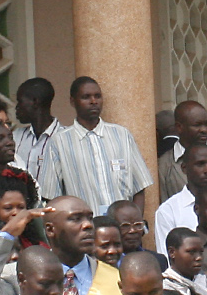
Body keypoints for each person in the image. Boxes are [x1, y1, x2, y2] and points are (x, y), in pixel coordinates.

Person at [40, 77, 153, 217]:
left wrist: (134, 223)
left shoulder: (122, 135)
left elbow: (139, 187)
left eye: (97, 96)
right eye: (86, 97)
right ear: (72, 101)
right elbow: (52, 197)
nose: (93, 101)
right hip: (84, 229)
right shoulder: (59, 142)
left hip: (121, 229)